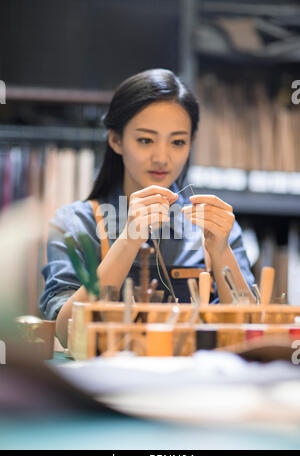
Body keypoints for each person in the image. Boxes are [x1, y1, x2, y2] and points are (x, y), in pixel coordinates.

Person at [39, 68, 255, 347]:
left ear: (191, 144)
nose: (162, 157)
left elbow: (249, 330)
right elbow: (67, 332)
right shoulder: (75, 224)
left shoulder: (213, 226)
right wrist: (128, 240)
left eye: (178, 142)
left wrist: (222, 251)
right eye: (145, 140)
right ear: (116, 140)